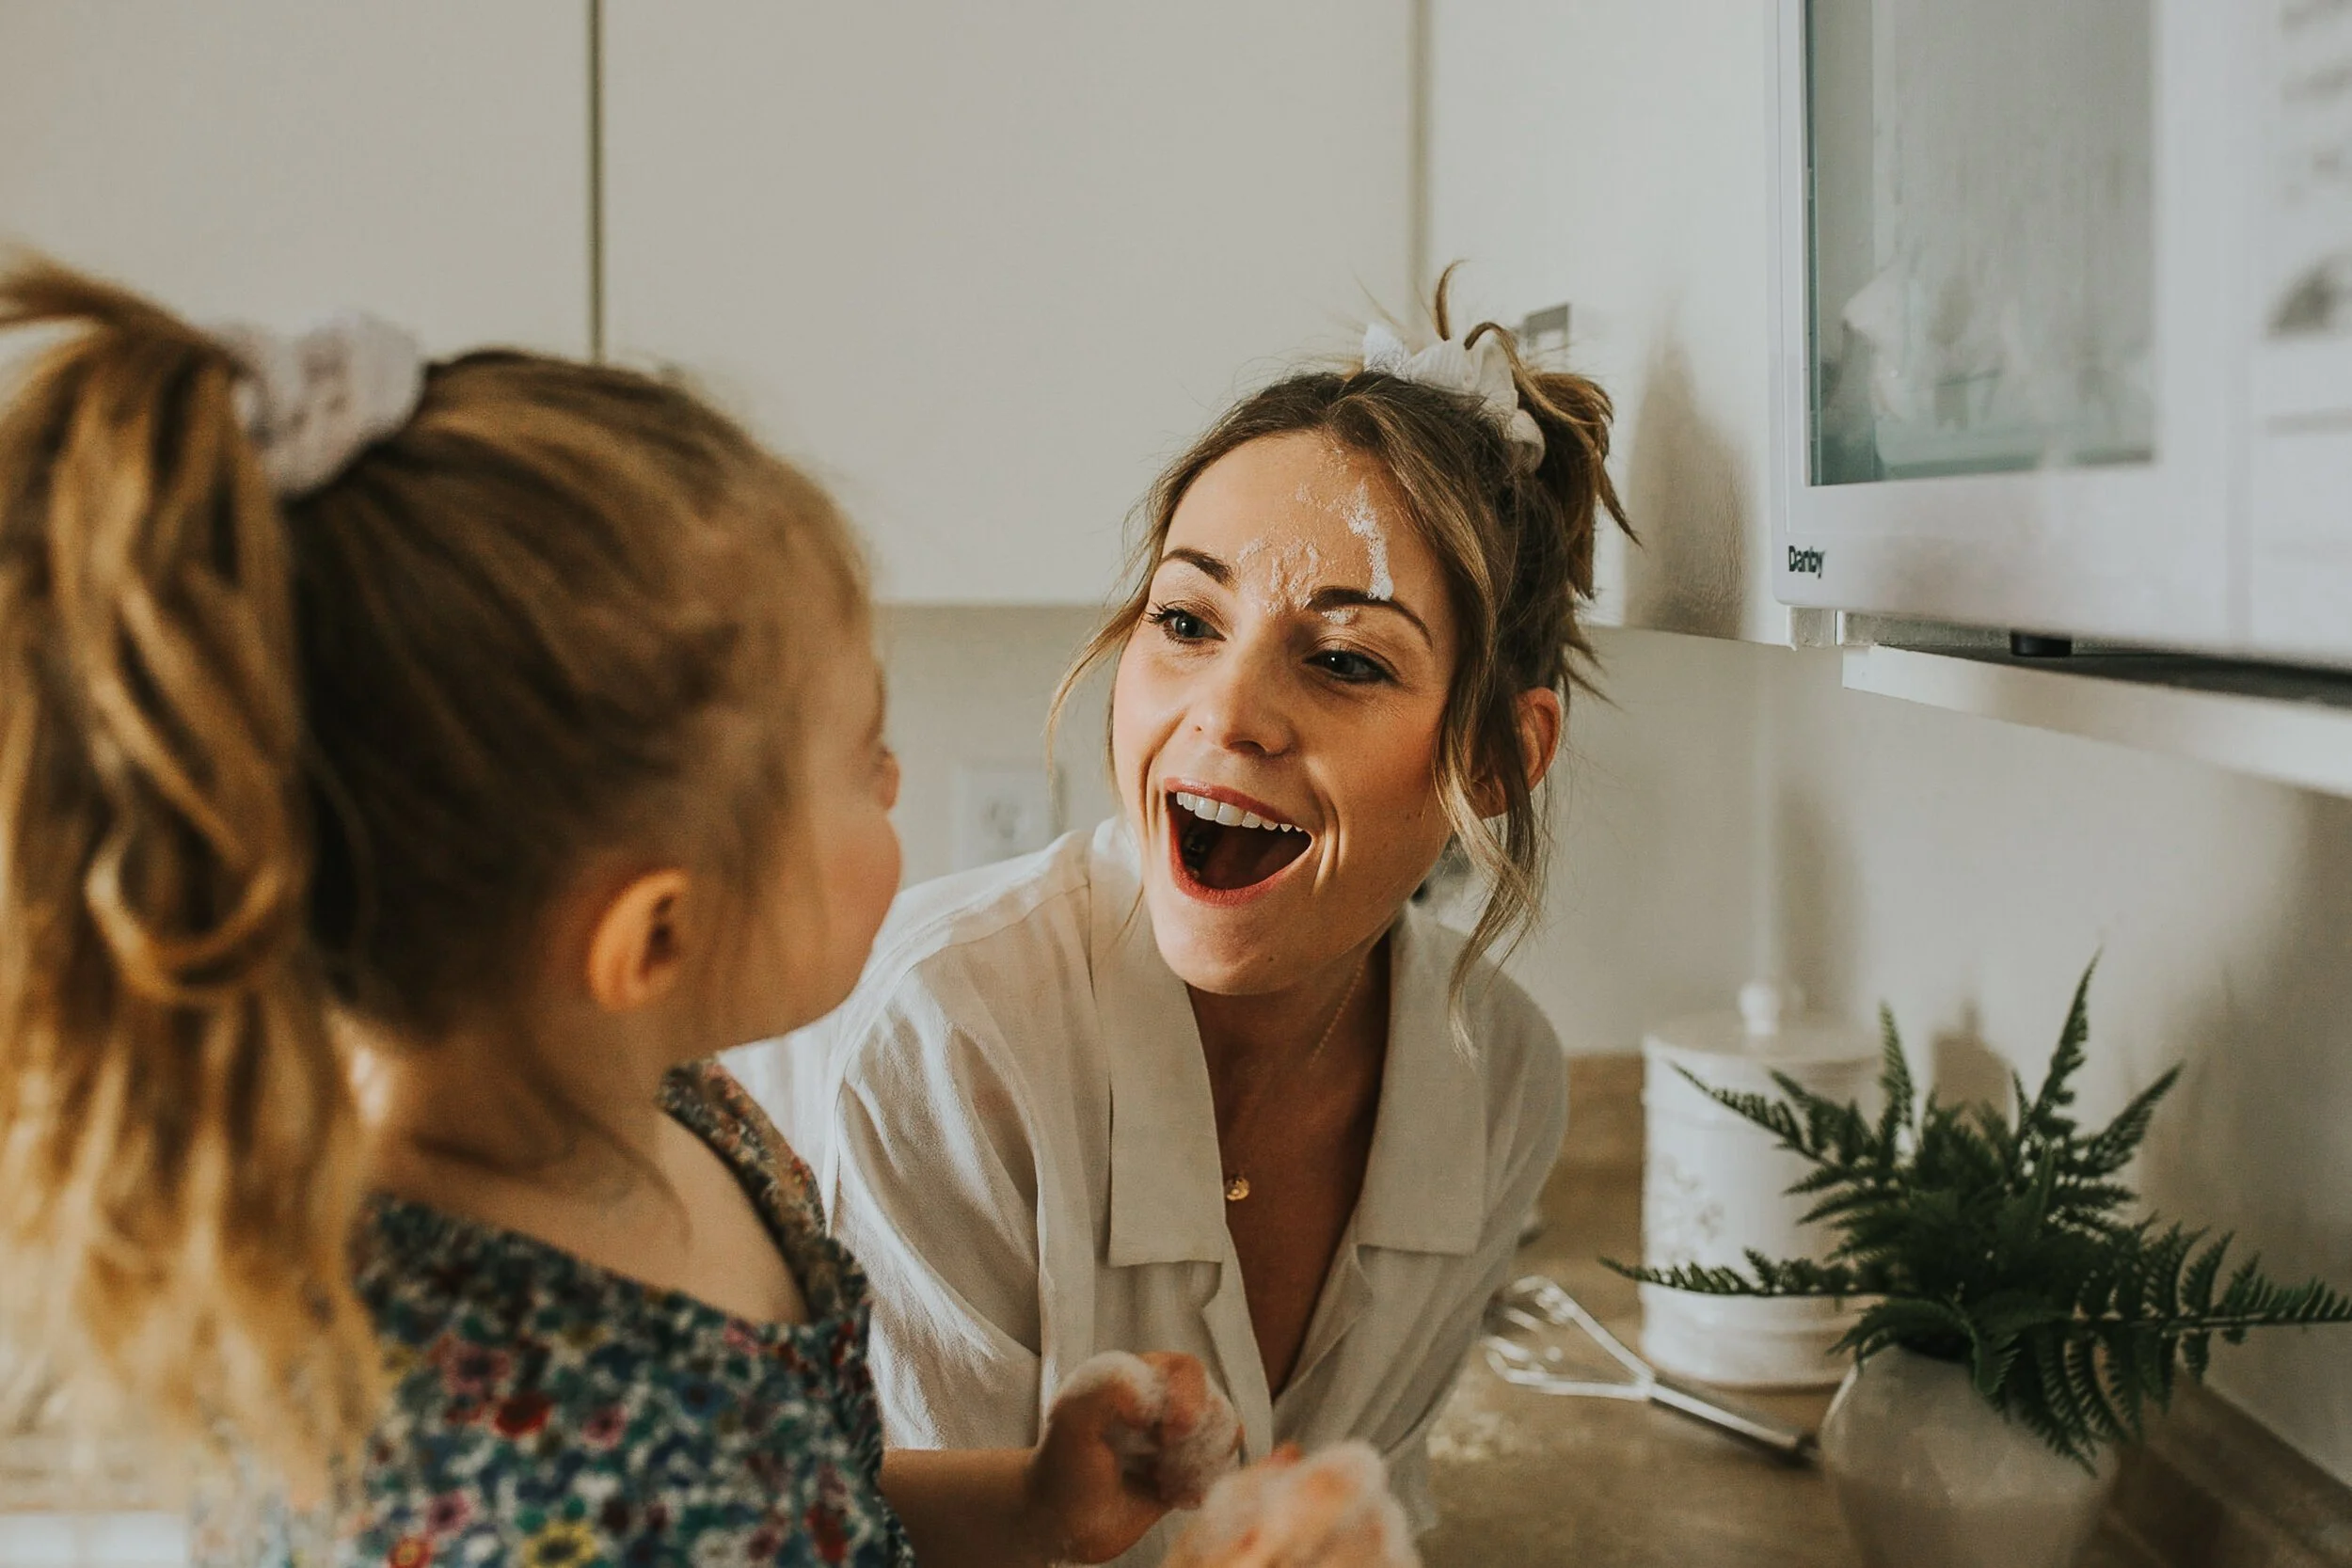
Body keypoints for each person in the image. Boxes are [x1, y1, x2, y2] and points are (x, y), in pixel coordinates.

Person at [0, 261, 1411, 1568]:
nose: (898, 776)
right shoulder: (516, 1479)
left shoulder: (672, 1110)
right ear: (652, 939)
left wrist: (1026, 1503)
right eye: (861, 760)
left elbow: (815, 1487)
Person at [755, 272, 1629, 1561]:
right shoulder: (947, 1035)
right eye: (1184, 619)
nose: (1224, 714)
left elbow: (1338, 1513)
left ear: (1498, 756)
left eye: (1344, 658)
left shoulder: (1496, 1081)